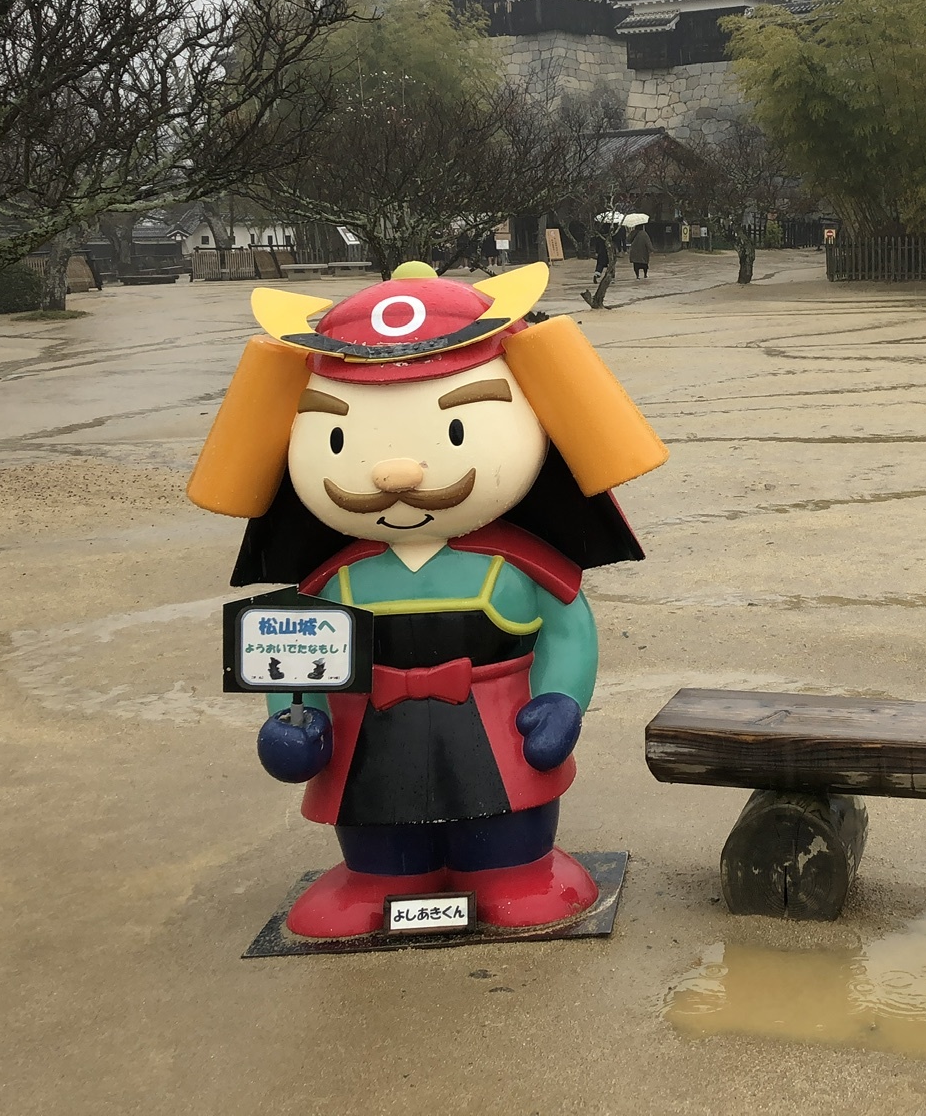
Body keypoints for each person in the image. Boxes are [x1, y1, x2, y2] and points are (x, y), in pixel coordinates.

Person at [186, 261, 668, 938]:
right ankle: (381, 877)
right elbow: (298, 660)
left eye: (456, 431)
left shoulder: (517, 566)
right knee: (379, 822)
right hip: (370, 732)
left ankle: (516, 869)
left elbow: (568, 634)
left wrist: (561, 700)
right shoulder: (334, 581)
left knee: (504, 822)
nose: (395, 473)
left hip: (496, 725)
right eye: (338, 438)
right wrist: (297, 719)